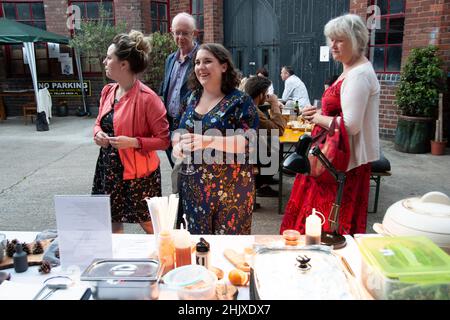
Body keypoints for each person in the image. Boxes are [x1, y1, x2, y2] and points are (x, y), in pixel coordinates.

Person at [280, 13, 380, 236]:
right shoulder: (351, 68)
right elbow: (343, 111)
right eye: (331, 39)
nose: (332, 45)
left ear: (356, 41)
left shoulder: (359, 75)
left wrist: (316, 118)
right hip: (332, 156)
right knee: (320, 218)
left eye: (339, 40)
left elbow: (351, 125)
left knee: (328, 222)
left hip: (342, 161)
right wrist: (319, 112)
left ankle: (320, 259)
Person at [172, 43, 259, 235]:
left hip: (231, 191)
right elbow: (178, 129)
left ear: (224, 66)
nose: (200, 67)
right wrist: (176, 146)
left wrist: (207, 141)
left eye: (207, 61)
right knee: (195, 248)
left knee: (228, 252)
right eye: (197, 62)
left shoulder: (240, 101)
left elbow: (248, 142)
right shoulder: (191, 98)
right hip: (193, 189)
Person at [92, 30, 170, 234]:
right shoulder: (108, 91)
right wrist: (98, 133)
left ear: (123, 64)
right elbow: (99, 123)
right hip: (108, 169)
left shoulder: (148, 98)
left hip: (139, 174)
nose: (105, 62)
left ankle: (165, 256)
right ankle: (117, 261)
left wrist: (134, 142)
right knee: (111, 219)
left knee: (149, 221)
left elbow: (164, 140)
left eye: (109, 58)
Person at [161, 12, 199, 167]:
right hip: (169, 125)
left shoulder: (202, 59)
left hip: (191, 126)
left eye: (185, 33)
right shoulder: (170, 59)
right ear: (172, 32)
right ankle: (179, 191)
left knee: (191, 169)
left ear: (194, 33)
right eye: (177, 33)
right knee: (175, 168)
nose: (180, 37)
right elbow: (165, 88)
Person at [244, 76, 286, 200]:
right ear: (261, 94)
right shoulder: (253, 110)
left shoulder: (248, 104)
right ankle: (261, 183)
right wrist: (274, 104)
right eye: (266, 93)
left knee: (272, 146)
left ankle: (263, 182)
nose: (268, 95)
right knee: (275, 150)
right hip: (249, 157)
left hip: (244, 152)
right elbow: (278, 129)